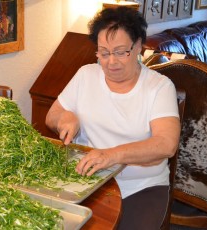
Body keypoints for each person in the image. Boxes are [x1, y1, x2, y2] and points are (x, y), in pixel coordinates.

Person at [45, 7, 180, 230]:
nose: (111, 62)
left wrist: (112, 155)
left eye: (120, 52)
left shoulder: (159, 87)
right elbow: (52, 116)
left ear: (137, 46)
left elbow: (166, 144)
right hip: (88, 180)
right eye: (103, 53)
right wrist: (65, 118)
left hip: (140, 186)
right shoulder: (86, 75)